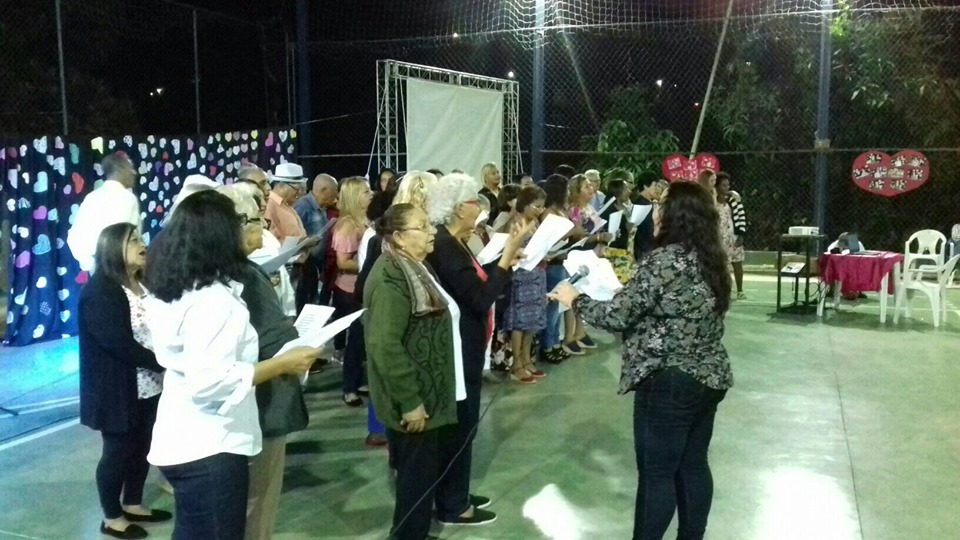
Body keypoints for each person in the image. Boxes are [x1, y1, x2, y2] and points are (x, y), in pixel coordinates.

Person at [550, 181, 733, 540]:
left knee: (657, 474)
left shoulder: (665, 259)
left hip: (668, 379)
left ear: (676, 214)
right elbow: (667, 302)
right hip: (709, 376)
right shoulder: (710, 257)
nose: (656, 211)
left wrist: (575, 299)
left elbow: (619, 316)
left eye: (662, 205)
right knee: (693, 464)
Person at [143, 190, 320, 540]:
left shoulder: (178, 287)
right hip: (211, 443)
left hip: (184, 436)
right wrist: (282, 363)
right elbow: (212, 382)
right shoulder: (212, 301)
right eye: (239, 222)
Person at [425, 173, 530, 526]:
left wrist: (502, 263)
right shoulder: (446, 245)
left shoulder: (453, 242)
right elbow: (479, 297)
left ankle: (454, 494)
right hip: (459, 347)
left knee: (461, 425)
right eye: (474, 202)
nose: (480, 208)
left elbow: (472, 281)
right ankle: (454, 504)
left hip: (465, 343)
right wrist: (506, 257)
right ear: (459, 209)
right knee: (461, 426)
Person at [219, 185, 316, 540]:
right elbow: (273, 341)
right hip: (262, 402)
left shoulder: (222, 272)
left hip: (243, 405)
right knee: (257, 503)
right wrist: (301, 347)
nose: (263, 226)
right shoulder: (243, 275)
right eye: (257, 219)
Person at [363, 204, 460, 540]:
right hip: (413, 397)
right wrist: (410, 401)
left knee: (420, 475)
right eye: (423, 226)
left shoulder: (413, 266)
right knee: (414, 479)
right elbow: (384, 345)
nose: (432, 231)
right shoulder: (390, 278)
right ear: (400, 237)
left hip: (426, 390)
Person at [79, 222, 170, 540]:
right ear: (112, 247)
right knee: (117, 451)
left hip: (149, 383)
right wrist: (163, 362)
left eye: (141, 238)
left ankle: (133, 503)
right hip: (116, 388)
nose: (142, 244)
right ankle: (112, 516)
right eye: (133, 240)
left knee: (143, 445)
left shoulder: (143, 283)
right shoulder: (101, 290)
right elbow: (116, 342)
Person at [357, 172, 436, 447]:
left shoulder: (414, 242)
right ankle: (380, 426)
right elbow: (384, 341)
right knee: (386, 362)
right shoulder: (387, 246)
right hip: (396, 329)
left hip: (410, 344)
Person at [330, 176, 374, 406]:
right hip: (349, 290)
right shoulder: (347, 225)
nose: (371, 194)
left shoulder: (363, 220)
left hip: (359, 286)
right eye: (366, 191)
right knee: (355, 340)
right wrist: (369, 262)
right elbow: (342, 262)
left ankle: (357, 381)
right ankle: (349, 387)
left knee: (362, 339)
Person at [503, 186, 549, 384]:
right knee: (519, 321)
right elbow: (508, 250)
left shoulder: (536, 222)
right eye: (536, 206)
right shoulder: (515, 223)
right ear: (525, 204)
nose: (539, 210)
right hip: (520, 276)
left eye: (542, 207)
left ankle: (527, 358)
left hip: (537, 274)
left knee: (533, 319)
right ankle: (517, 363)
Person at [68, 152, 141, 272]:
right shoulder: (128, 199)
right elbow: (131, 240)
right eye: (131, 169)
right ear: (121, 170)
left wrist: (90, 264)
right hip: (120, 268)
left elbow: (74, 237)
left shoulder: (92, 197)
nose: (134, 173)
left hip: (96, 268)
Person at [293, 173, 339, 311]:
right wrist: (307, 242)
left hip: (314, 265)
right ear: (322, 190)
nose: (335, 198)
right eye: (333, 193)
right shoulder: (303, 207)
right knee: (304, 302)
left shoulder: (321, 207)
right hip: (303, 265)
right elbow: (294, 236)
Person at [716, 172, 747, 300]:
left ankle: (740, 290)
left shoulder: (733, 199)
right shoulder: (713, 201)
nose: (726, 188)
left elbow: (741, 216)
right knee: (722, 266)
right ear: (717, 186)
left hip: (733, 237)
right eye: (723, 185)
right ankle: (724, 290)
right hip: (720, 238)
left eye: (728, 185)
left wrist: (741, 234)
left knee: (737, 263)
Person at [600, 179, 635, 283]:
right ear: (618, 191)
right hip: (613, 254)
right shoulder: (608, 209)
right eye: (626, 189)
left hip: (624, 251)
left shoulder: (624, 207)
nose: (629, 191)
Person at [632, 172, 663, 262]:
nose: (657, 189)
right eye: (655, 185)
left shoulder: (646, 203)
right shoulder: (642, 205)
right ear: (645, 186)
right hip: (645, 249)